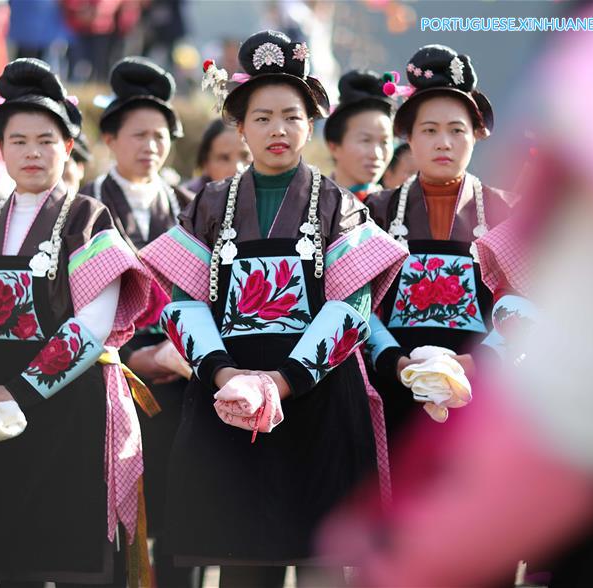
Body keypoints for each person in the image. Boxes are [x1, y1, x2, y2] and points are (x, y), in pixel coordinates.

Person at [140, 30, 407, 587]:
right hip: (231, 408)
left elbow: (350, 309)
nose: (277, 130)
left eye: (291, 115)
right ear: (240, 126)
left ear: (310, 122)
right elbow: (182, 304)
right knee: (243, 570)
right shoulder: (208, 204)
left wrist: (282, 381)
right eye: (261, 117)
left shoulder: (338, 203)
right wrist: (226, 374)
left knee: (322, 568)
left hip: (318, 406)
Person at [0, 58, 152, 588]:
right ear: (1, 148)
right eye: (18, 140)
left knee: (76, 560)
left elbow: (92, 325)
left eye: (46, 140)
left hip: (69, 410)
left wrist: (16, 392)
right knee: (12, 562)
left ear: (67, 147)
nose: (32, 152)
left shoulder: (88, 219)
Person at [363, 44, 516, 465]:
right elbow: (355, 301)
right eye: (429, 130)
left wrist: (476, 362)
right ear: (408, 136)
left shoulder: (509, 212)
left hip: (482, 395)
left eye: (457, 129)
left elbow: (528, 303)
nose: (443, 142)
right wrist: (396, 362)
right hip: (395, 390)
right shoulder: (374, 211)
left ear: (477, 134)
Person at [79, 56, 200, 588]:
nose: (150, 146)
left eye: (160, 135)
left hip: (187, 385)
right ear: (109, 138)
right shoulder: (83, 210)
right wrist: (136, 357)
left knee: (183, 524)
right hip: (105, 386)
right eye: (137, 134)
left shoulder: (193, 208)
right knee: (109, 526)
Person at [324, 70, 395, 201]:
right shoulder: (310, 205)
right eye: (365, 140)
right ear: (334, 146)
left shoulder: (396, 209)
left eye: (385, 142)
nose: (376, 154)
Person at [181, 118, 252, 195]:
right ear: (205, 164)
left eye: (245, 156)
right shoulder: (185, 203)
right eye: (224, 158)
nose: (237, 169)